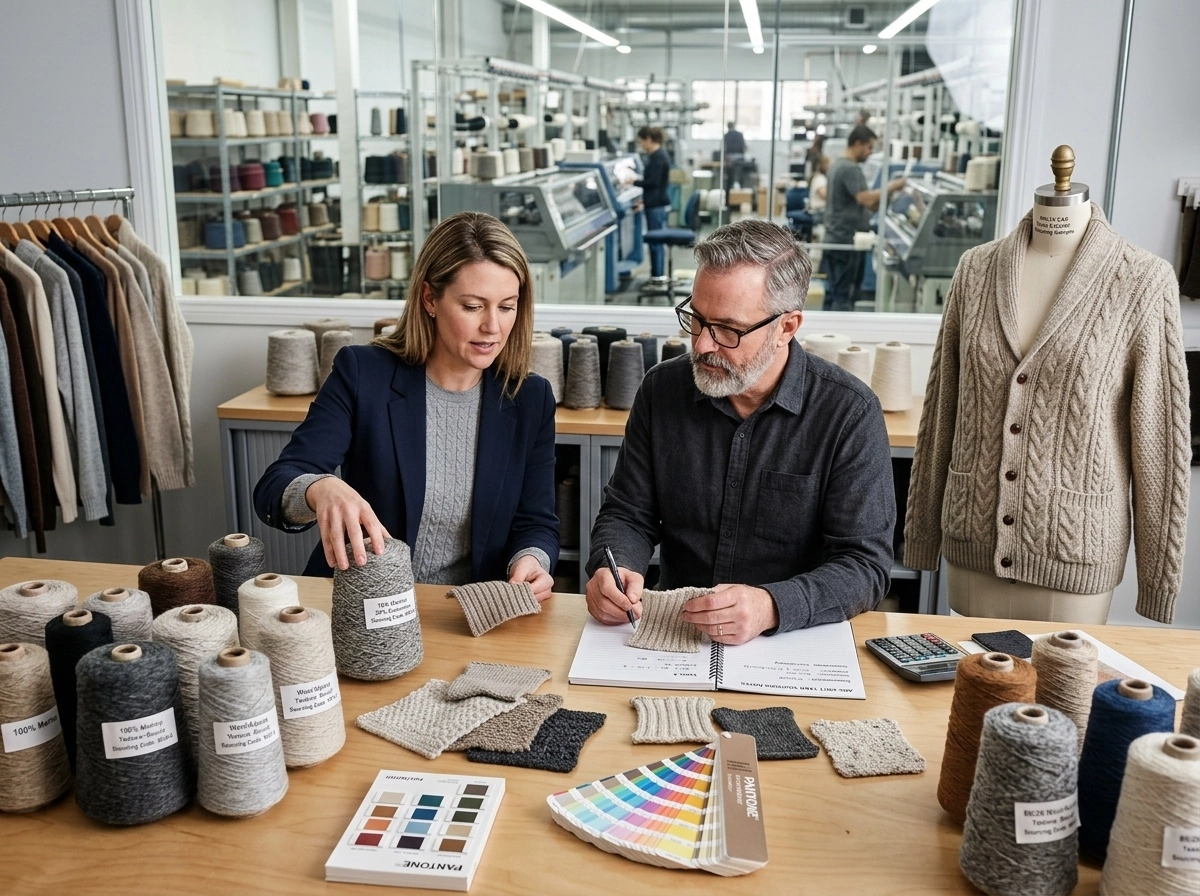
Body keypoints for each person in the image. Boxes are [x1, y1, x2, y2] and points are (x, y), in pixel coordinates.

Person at [584, 219, 895, 644]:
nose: (701, 345)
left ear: (787, 327)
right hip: (675, 633)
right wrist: (614, 567)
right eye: (695, 318)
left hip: (793, 641)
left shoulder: (849, 413)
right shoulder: (662, 390)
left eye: (728, 330)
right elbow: (628, 513)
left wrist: (770, 606)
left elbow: (864, 565)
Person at [254, 212, 558, 598]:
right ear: (430, 298)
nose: (492, 327)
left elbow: (537, 522)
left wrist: (532, 559)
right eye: (472, 306)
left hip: (467, 611)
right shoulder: (364, 374)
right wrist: (321, 487)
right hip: (363, 606)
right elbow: (274, 486)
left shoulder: (530, 398)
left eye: (506, 306)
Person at [824, 124, 905, 312]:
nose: (870, 153)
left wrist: (887, 198)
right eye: (869, 147)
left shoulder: (838, 164)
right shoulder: (850, 168)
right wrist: (893, 186)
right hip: (846, 241)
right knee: (844, 297)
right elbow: (866, 199)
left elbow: (868, 204)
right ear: (857, 143)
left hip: (837, 238)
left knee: (835, 292)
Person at [635, 126, 672, 282]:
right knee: (657, 242)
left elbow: (653, 182)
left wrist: (634, 181)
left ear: (649, 139)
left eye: (642, 141)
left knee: (656, 242)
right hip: (655, 204)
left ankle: (657, 278)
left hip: (656, 207)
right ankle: (657, 275)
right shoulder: (659, 155)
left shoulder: (657, 157)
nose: (642, 145)